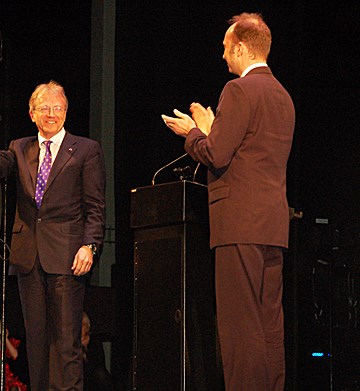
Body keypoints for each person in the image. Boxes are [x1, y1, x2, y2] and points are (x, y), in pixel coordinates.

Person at [161, 13, 295, 391]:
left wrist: (194, 132)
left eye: (225, 48)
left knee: (240, 324)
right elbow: (249, 152)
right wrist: (211, 128)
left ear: (240, 47)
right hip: (272, 225)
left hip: (238, 224)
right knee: (270, 322)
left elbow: (217, 154)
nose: (223, 56)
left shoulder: (238, 90)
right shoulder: (283, 96)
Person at [0, 80, 106, 391]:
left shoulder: (86, 149)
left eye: (58, 108)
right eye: (44, 108)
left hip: (68, 256)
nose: (51, 114)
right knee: (37, 342)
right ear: (32, 113)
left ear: (66, 111)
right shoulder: (20, 148)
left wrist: (90, 245)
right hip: (27, 257)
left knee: (66, 341)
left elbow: (95, 205)